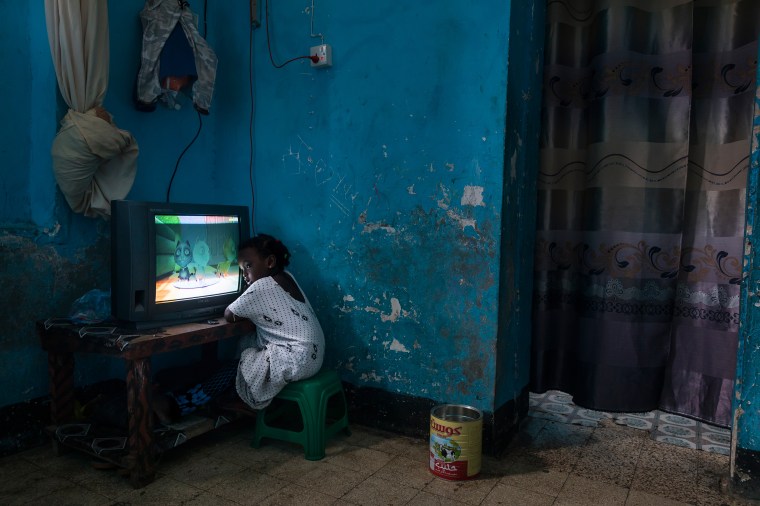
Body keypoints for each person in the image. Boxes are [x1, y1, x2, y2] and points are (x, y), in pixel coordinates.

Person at [224, 233, 325, 410]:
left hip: (296, 360)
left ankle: (238, 398)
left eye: (248, 266)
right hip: (314, 357)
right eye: (242, 270)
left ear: (270, 262)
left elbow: (229, 314)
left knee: (244, 354)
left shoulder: (261, 286)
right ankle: (235, 393)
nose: (245, 275)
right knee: (247, 342)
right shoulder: (288, 277)